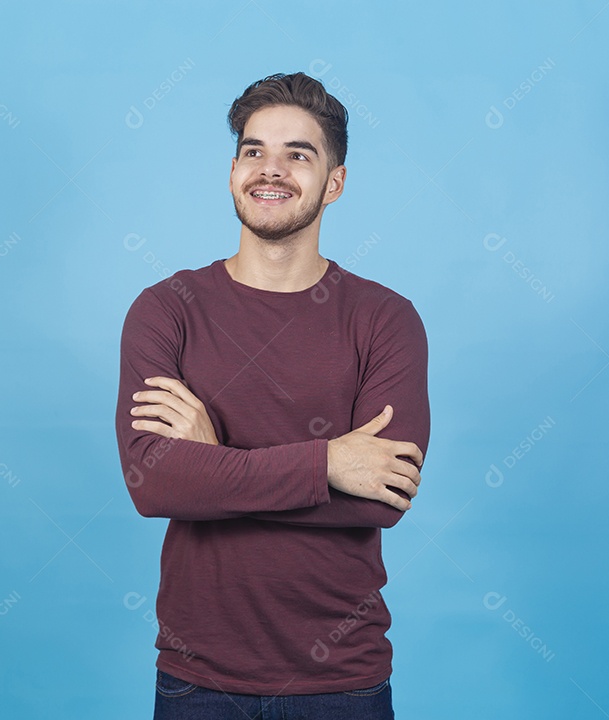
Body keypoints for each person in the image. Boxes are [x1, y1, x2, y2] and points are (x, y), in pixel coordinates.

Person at [115, 71, 430, 720]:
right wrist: (327, 465)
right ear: (233, 171)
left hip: (342, 681)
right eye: (255, 151)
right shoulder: (166, 311)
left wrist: (213, 466)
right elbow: (153, 484)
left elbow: (384, 499)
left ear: (334, 184)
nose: (271, 170)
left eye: (298, 154)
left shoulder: (385, 319)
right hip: (199, 681)